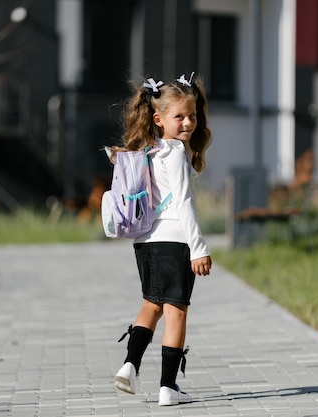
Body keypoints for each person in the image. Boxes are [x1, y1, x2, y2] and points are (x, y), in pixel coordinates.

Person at [111, 72, 213, 406]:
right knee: (177, 312)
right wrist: (198, 249)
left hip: (145, 241)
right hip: (174, 240)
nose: (188, 123)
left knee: (150, 304)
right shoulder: (174, 154)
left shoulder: (147, 152)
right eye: (179, 116)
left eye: (193, 116)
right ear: (159, 119)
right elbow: (184, 203)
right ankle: (168, 387)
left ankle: (130, 364)